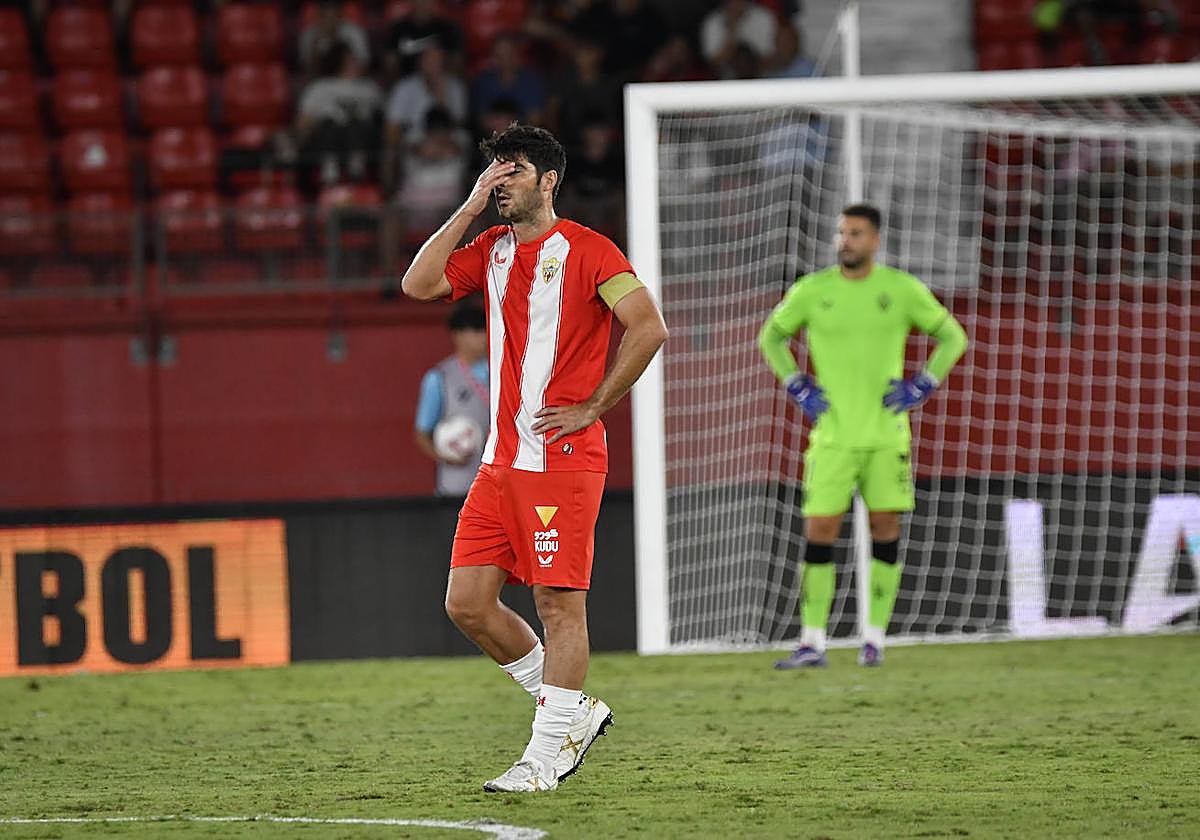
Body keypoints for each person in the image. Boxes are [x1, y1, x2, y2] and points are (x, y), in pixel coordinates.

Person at [401, 124, 668, 792]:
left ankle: (547, 756)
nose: (501, 181)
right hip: (500, 464)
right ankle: (571, 711)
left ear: (549, 180)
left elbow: (648, 326)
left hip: (563, 457)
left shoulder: (588, 250)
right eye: (495, 169)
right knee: (466, 603)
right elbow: (418, 284)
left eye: (514, 170)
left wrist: (595, 405)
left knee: (559, 606)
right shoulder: (489, 248)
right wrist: (466, 207)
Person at [758, 203, 968, 669]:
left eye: (855, 233)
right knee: (819, 533)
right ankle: (813, 640)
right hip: (832, 437)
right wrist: (796, 382)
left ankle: (874, 637)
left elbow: (953, 337)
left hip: (886, 436)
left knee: (885, 531)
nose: (845, 241)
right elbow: (770, 337)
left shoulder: (901, 289)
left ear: (874, 240)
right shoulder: (813, 291)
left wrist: (923, 384)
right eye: (841, 233)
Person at [414, 301, 490, 497]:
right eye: (475, 331)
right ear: (457, 335)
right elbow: (422, 434)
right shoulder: (439, 377)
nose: (483, 337)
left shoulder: (502, 371)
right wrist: (446, 456)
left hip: (496, 484)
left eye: (485, 330)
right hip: (457, 487)